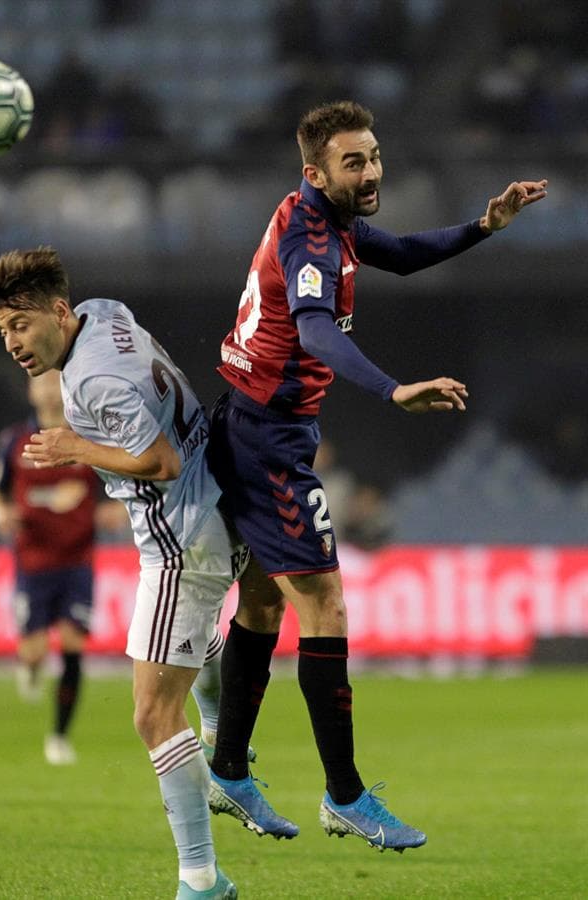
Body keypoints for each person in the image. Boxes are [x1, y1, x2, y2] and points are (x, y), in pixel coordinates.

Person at [206, 100, 547, 852]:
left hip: (260, 424)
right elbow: (317, 327)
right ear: (315, 172)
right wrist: (392, 389)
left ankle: (228, 769)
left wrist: (483, 227)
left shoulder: (323, 217)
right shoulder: (311, 243)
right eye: (354, 162)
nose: (371, 171)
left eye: (374, 156)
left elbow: (399, 250)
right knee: (324, 605)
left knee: (264, 600)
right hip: (269, 438)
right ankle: (344, 794)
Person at [0, 247, 242, 900]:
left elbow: (158, 463)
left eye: (18, 325)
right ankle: (218, 730)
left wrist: (73, 444)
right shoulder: (107, 313)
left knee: (152, 714)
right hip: (204, 513)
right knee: (179, 663)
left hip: (181, 536)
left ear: (58, 312)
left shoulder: (88, 383)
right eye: (1, 331)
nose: (11, 343)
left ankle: (201, 879)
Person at [0, 369, 126, 765]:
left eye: (55, 383)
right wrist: (1, 513)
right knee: (33, 652)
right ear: (30, 391)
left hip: (78, 560)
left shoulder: (86, 438)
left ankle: (59, 736)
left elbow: (119, 483)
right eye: (41, 383)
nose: (48, 391)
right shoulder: (14, 440)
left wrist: (114, 510)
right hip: (32, 562)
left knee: (73, 645)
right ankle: (28, 667)